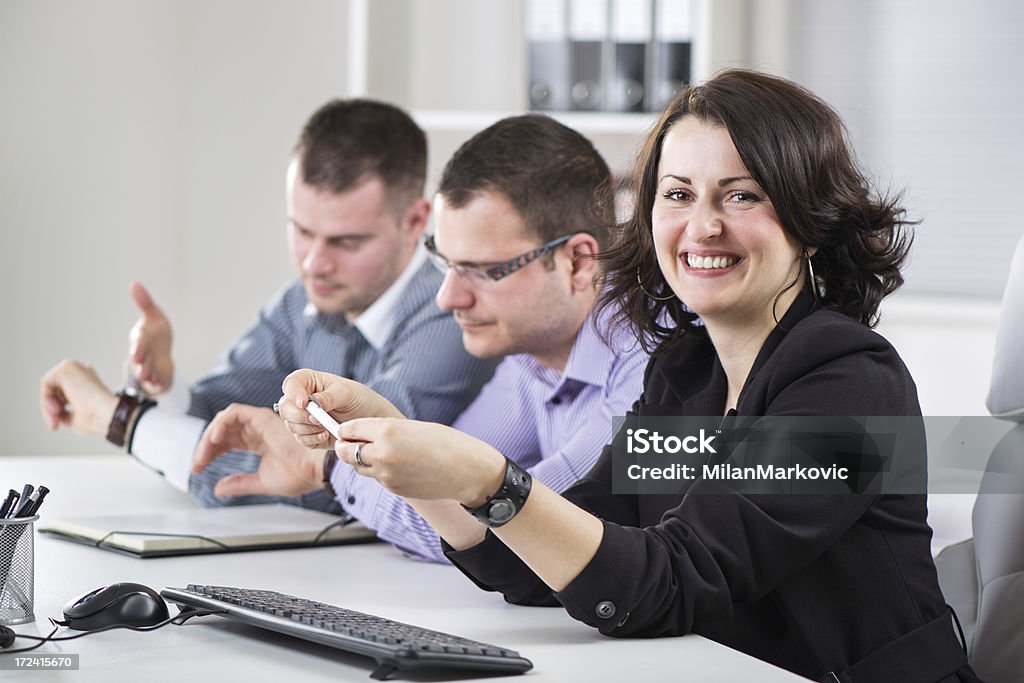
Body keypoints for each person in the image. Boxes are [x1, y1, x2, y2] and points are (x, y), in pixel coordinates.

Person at [276, 71, 981, 682]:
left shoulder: (852, 385)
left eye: (740, 195)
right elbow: (553, 554)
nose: (701, 227)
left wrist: (489, 478)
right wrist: (401, 445)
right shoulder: (687, 372)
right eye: (678, 194)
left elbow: (672, 580)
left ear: (810, 218)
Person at [194, 114, 648, 561]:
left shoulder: (648, 365)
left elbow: (517, 536)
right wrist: (366, 433)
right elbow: (451, 518)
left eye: (482, 271)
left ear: (578, 262)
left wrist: (329, 462)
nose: (449, 299)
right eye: (445, 263)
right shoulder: (530, 359)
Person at [39, 98, 495, 512]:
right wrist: (163, 384)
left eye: (346, 241)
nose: (315, 264)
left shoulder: (454, 313)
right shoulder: (307, 298)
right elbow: (221, 420)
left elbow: (352, 472)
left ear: (415, 220)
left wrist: (118, 419)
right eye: (301, 231)